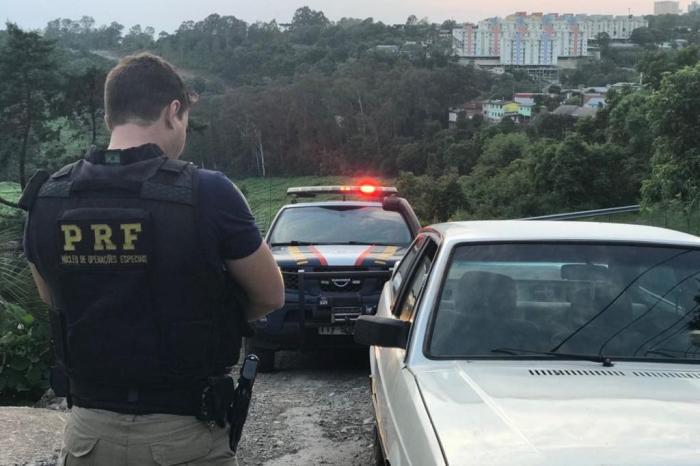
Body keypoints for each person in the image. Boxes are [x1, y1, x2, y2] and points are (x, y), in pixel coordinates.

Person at [21, 53, 284, 465]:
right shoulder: (208, 193)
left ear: (110, 116)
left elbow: (54, 299)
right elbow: (270, 295)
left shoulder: (48, 198)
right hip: (184, 437)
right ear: (173, 111)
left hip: (88, 437)